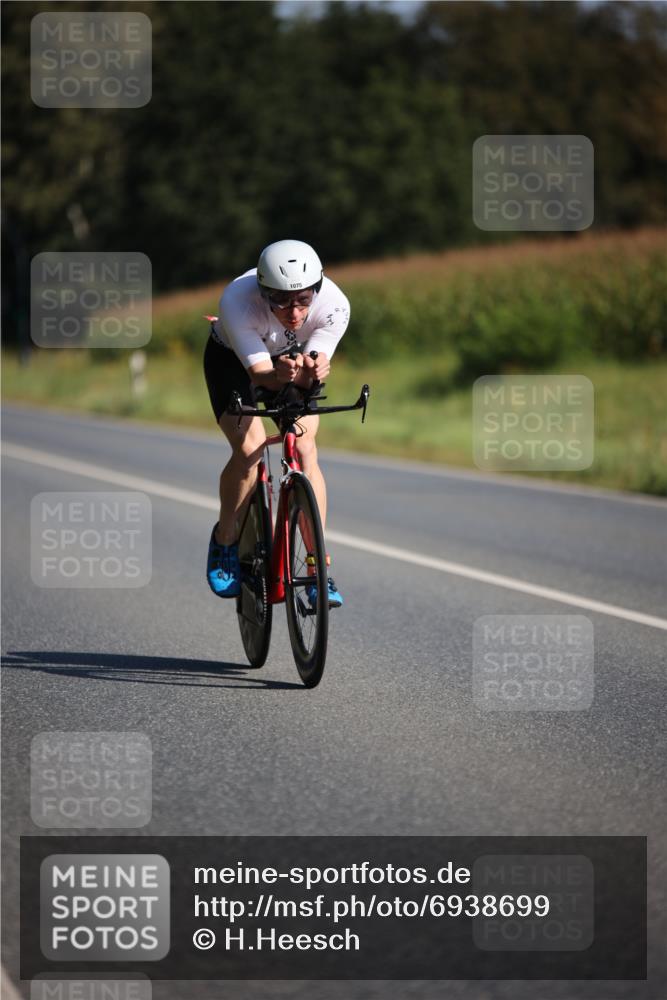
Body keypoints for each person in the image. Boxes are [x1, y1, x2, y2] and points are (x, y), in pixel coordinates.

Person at [203, 239, 350, 606]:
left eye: (303, 299)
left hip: (291, 362)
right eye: (281, 300)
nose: (294, 311)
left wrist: (313, 370)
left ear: (318, 288)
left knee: (303, 446)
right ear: (262, 291)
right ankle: (225, 540)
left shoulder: (335, 304)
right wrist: (278, 375)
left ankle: (318, 568)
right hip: (235, 363)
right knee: (250, 449)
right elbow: (260, 374)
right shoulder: (237, 300)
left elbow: (311, 369)